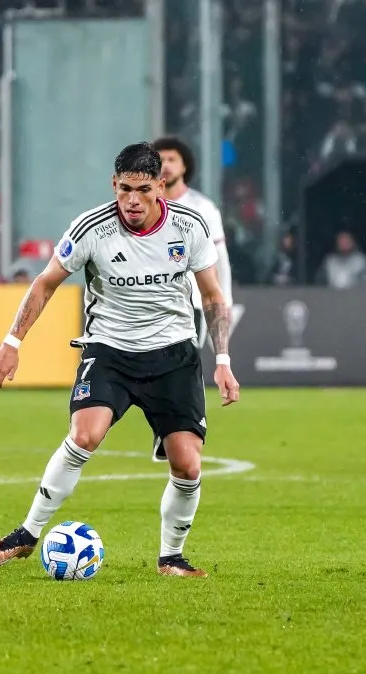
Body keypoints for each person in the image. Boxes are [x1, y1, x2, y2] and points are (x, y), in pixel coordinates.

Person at [0, 142, 239, 578]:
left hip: (173, 355)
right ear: (113, 185)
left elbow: (212, 297)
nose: (132, 201)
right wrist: (12, 342)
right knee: (84, 435)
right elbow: (44, 284)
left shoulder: (190, 226)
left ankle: (171, 556)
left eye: (141, 189)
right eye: (123, 189)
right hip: (109, 351)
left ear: (160, 186)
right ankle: (26, 533)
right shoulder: (91, 229)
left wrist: (224, 359)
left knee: (187, 464)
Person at [151, 136, 232, 463]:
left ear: (184, 166)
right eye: (160, 159)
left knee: (184, 365)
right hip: (152, 300)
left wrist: (224, 303)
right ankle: (167, 427)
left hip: (193, 303)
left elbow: (220, 260)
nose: (166, 164)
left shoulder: (203, 209)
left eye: (172, 158)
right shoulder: (144, 205)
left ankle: (183, 427)